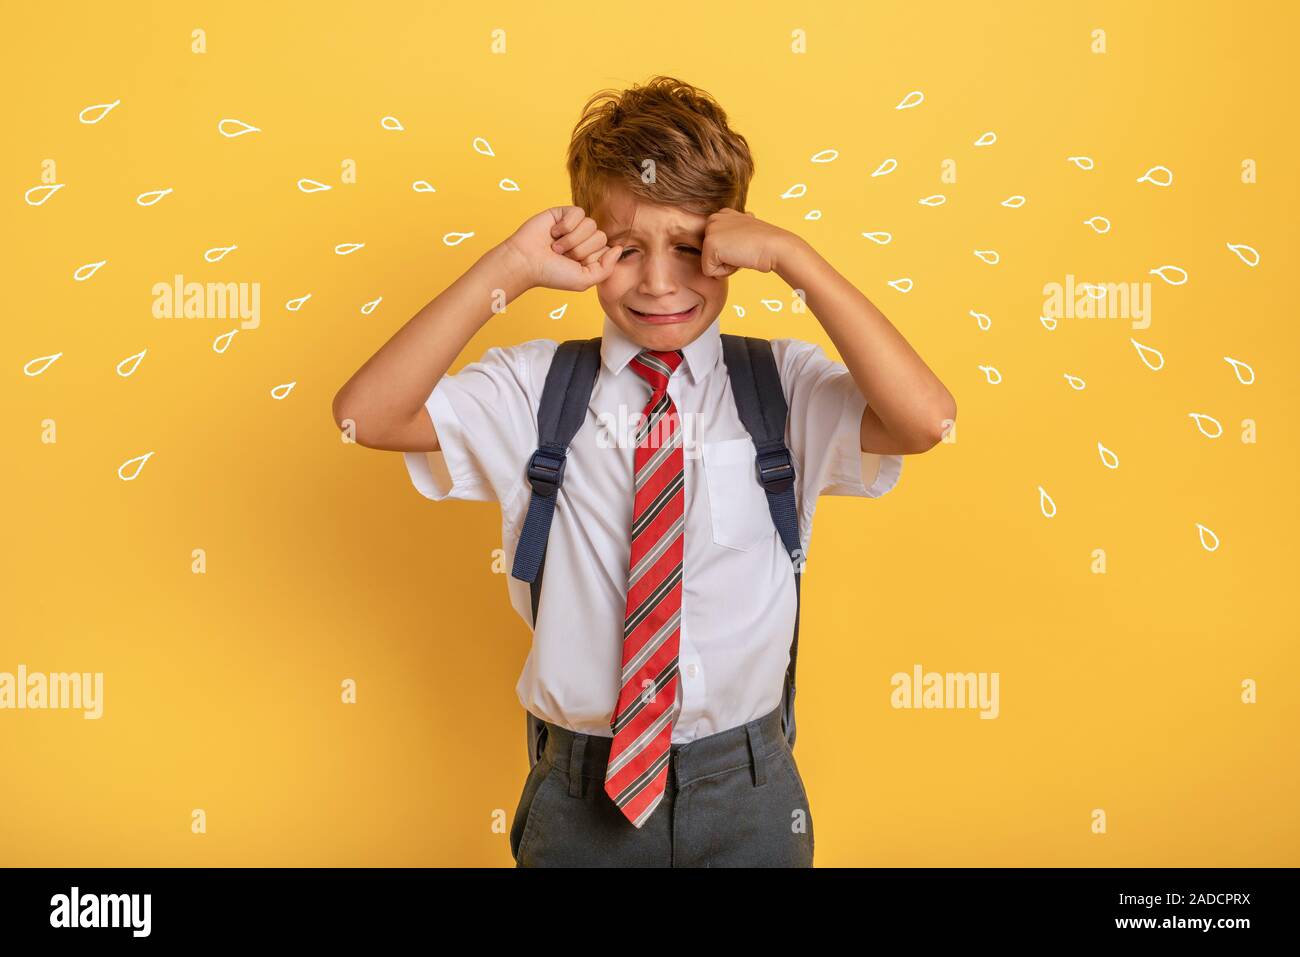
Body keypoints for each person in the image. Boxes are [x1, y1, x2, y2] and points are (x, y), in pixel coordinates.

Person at [332, 76, 956, 867]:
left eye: (693, 248)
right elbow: (367, 413)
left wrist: (798, 260)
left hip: (749, 789)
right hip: (580, 794)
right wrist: (513, 265)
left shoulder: (781, 389)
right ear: (588, 245)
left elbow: (927, 420)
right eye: (626, 250)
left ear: (736, 242)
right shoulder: (536, 391)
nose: (661, 283)